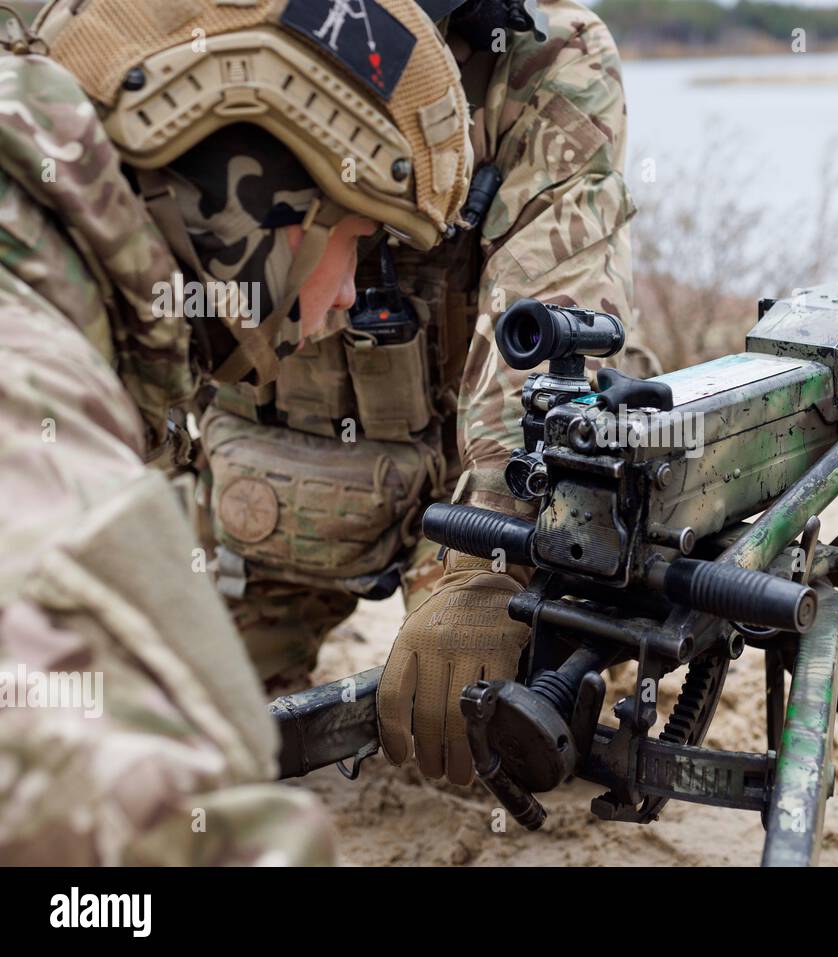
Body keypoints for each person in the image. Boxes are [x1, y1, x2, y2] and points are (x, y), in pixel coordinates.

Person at [0, 0, 473, 864]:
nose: (341, 304)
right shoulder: (27, 358)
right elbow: (88, 781)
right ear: (254, 189)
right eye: (357, 243)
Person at [192, 0, 651, 787]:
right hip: (269, 489)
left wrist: (491, 566)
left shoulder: (543, 60)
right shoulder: (212, 30)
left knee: (498, 731)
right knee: (173, 721)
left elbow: (547, 330)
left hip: (473, 491)